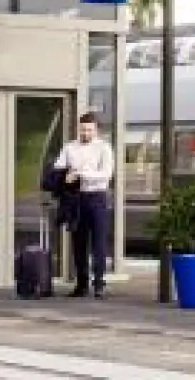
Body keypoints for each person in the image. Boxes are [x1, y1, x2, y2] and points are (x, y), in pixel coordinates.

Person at [52, 113, 114, 298]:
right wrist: (65, 176)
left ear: (96, 130)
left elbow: (106, 175)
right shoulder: (70, 147)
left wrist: (81, 173)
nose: (85, 133)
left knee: (99, 243)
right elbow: (58, 167)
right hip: (76, 198)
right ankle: (81, 283)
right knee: (78, 243)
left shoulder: (104, 148)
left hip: (97, 198)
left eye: (89, 130)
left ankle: (99, 284)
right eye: (83, 129)